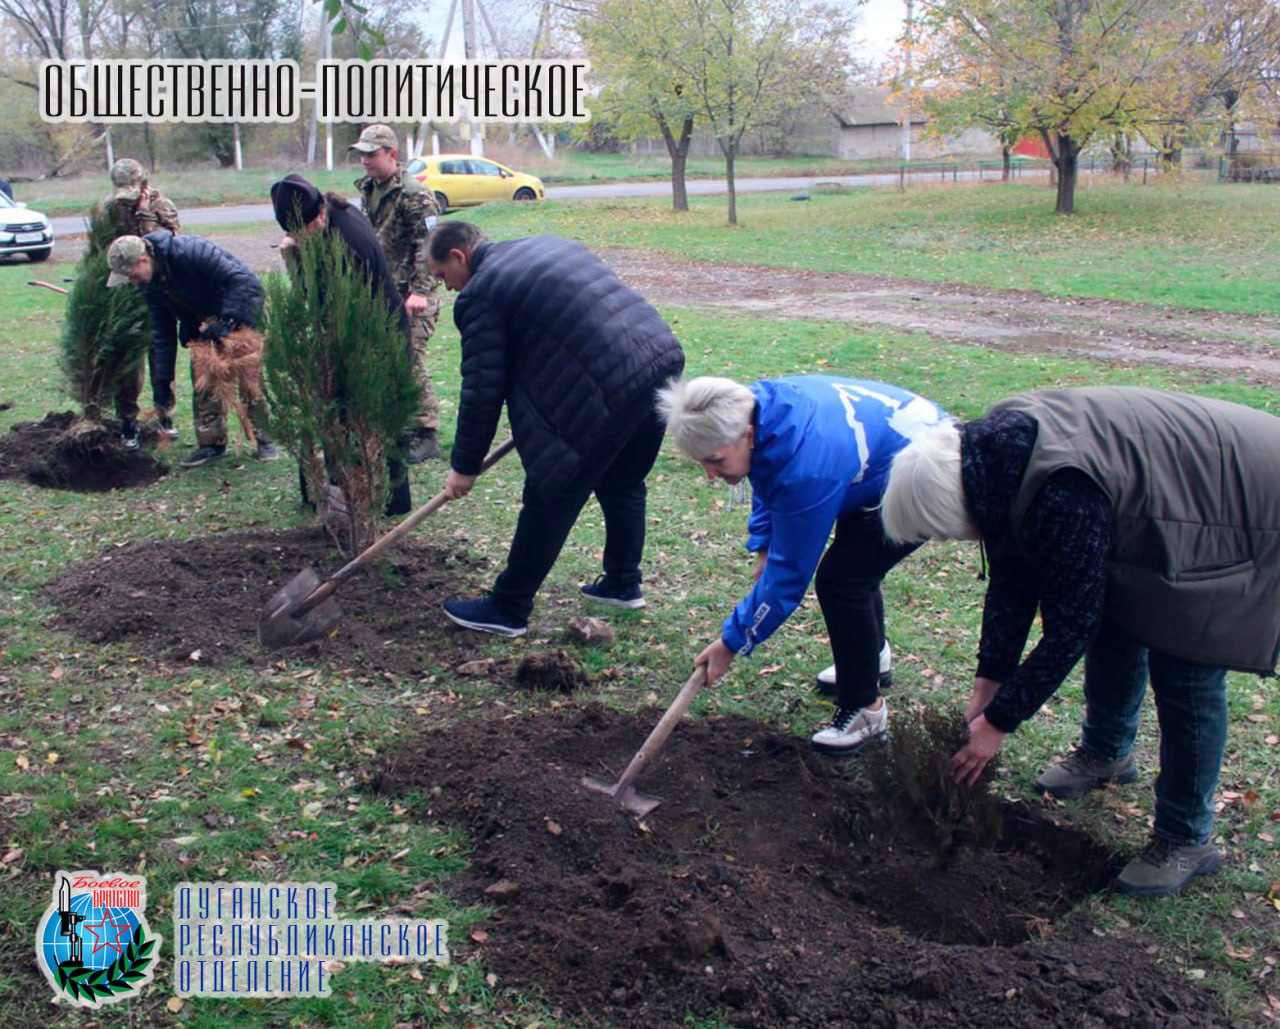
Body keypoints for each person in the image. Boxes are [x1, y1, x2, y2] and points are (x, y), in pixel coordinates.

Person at [880, 385, 1280, 896]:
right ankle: (1107, 753)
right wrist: (988, 687)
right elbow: (1013, 579)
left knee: (1186, 666)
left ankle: (1186, 838)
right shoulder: (992, 461)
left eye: (947, 533)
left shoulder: (1061, 489)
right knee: (1116, 617)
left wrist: (998, 723)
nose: (957, 540)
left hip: (1232, 504)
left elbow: (1071, 628)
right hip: (1167, 496)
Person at [660, 375, 949, 755]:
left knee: (842, 580)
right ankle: (870, 658)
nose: (710, 474)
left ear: (747, 434)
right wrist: (764, 545)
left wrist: (731, 642)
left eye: (715, 460)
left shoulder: (807, 469)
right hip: (884, 453)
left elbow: (788, 579)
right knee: (854, 570)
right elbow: (767, 475)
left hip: (927, 472)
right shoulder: (762, 410)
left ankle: (865, 710)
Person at [427, 220, 685, 637]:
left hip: (611, 381)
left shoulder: (481, 293)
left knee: (551, 491)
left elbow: (482, 388)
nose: (448, 287)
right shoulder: (545, 244)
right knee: (623, 482)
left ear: (459, 256)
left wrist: (464, 465)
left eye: (443, 275)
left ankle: (508, 607)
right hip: (658, 359)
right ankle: (622, 583)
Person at [270, 173, 412, 516]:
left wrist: (294, 262)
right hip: (346, 330)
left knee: (373, 417)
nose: (299, 238)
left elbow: (322, 302)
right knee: (335, 415)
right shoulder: (330, 212)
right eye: (293, 233)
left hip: (376, 333)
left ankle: (385, 500)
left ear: (320, 215)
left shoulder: (348, 243)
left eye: (303, 231)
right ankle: (334, 497)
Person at [105, 232, 279, 467]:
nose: (133, 281)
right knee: (204, 380)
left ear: (144, 260)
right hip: (201, 324)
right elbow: (162, 331)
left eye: (132, 275)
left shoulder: (190, 252)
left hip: (238, 311)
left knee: (250, 380)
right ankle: (211, 444)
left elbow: (244, 282)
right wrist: (163, 382)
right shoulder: (150, 286)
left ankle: (265, 440)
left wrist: (226, 322)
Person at [351, 124, 443, 464]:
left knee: (410, 360)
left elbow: (430, 245)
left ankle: (427, 433)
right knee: (389, 360)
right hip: (385, 294)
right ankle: (401, 426)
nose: (365, 161)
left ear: (392, 154)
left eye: (371, 154)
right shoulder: (369, 190)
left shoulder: (414, 194)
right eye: (361, 155)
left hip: (413, 297)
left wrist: (420, 291)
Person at [103, 158, 182, 448]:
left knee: (161, 355)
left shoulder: (162, 206)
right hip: (125, 293)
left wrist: (145, 215)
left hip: (156, 289)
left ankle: (164, 414)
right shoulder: (110, 208)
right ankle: (128, 420)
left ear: (144, 185)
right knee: (127, 360)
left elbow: (172, 245)